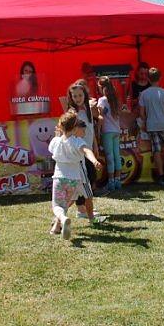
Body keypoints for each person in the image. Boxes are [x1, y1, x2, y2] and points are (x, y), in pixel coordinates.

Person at [48, 111, 105, 240]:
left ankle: (63, 219)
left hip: (59, 178)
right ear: (75, 129)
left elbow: (51, 149)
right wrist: (94, 161)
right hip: (74, 180)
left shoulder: (55, 141)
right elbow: (86, 150)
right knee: (66, 204)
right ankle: (58, 226)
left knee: (57, 206)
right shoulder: (77, 141)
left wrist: (57, 135)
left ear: (60, 126)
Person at [138, 67, 164, 184]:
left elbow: (141, 113)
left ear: (148, 79)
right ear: (160, 78)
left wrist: (146, 121)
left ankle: (161, 176)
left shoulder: (144, 94)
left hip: (151, 125)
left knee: (156, 150)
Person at [65, 81, 101, 215]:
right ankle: (81, 208)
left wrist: (95, 145)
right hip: (79, 152)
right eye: (75, 96)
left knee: (91, 178)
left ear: (85, 95)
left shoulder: (88, 109)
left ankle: (84, 206)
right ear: (71, 98)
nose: (78, 98)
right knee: (85, 179)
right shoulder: (72, 113)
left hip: (89, 149)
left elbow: (91, 129)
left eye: (80, 95)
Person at [96, 76, 124, 191]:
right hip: (116, 130)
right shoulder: (115, 99)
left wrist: (98, 130)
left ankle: (111, 181)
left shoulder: (102, 100)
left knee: (109, 157)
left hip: (107, 131)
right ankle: (118, 180)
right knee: (117, 155)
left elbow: (101, 117)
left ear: (101, 87)